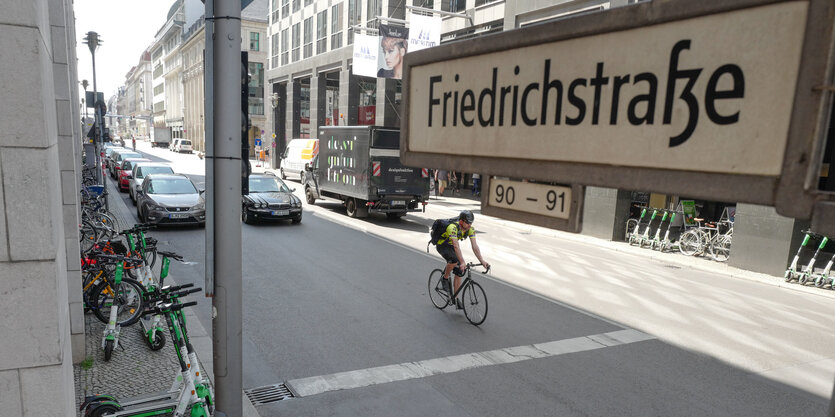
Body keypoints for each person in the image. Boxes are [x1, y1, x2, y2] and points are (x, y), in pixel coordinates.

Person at [435, 210, 490, 309]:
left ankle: (455, 299)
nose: (469, 225)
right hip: (442, 245)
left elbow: (475, 246)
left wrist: (482, 261)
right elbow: (456, 246)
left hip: (452, 246)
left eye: (471, 223)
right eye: (468, 222)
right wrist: (463, 262)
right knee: (454, 260)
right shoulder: (452, 228)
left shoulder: (470, 229)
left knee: (460, 270)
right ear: (461, 221)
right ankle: (445, 278)